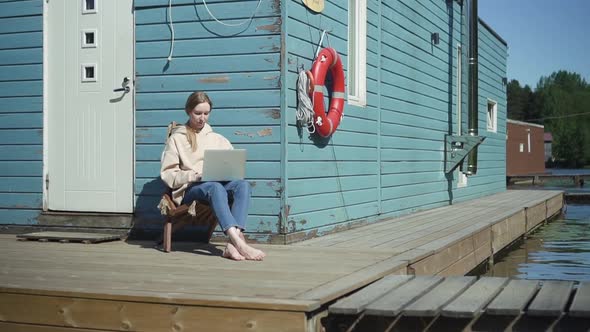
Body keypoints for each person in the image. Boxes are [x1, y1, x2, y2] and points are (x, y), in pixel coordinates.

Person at [160, 91, 266, 261]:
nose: (202, 118)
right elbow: (168, 174)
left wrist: (229, 171)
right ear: (188, 111)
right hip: (191, 189)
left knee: (242, 185)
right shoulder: (177, 138)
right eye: (198, 113)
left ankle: (232, 243)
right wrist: (194, 176)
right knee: (214, 187)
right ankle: (239, 243)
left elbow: (232, 164)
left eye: (206, 114)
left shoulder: (218, 139)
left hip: (217, 183)